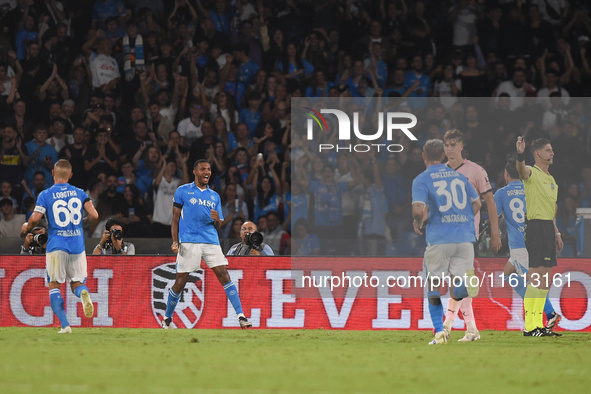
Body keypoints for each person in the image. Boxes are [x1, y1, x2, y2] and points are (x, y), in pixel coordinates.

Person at [162, 159, 252, 329]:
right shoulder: (183, 191)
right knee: (181, 280)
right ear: (195, 172)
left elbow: (218, 224)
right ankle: (167, 317)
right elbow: (175, 219)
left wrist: (218, 220)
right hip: (189, 241)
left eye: (209, 170)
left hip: (211, 240)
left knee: (224, 274)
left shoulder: (214, 196)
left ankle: (241, 316)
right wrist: (175, 241)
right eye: (203, 169)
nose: (207, 172)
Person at [412, 139, 481, 345]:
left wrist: (418, 222)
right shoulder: (460, 177)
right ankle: (465, 288)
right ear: (443, 156)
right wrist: (466, 219)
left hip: (440, 238)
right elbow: (477, 203)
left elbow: (418, 209)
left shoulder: (422, 179)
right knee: (457, 286)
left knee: (434, 286)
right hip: (465, 239)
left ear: (424, 156)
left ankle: (439, 333)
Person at [20, 159, 99, 334]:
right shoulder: (79, 192)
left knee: (54, 286)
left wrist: (27, 227)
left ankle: (65, 325)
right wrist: (79, 223)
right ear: (70, 175)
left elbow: (34, 219)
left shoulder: (45, 194)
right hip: (77, 246)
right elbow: (94, 215)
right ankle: (83, 293)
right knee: (77, 284)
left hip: (56, 246)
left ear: (53, 173)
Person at [442, 129, 502, 342]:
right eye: (446, 145)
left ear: (461, 146)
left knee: (458, 282)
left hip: (467, 235)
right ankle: (471, 329)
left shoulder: (475, 170)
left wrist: (495, 233)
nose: (449, 149)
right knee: (458, 283)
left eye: (453, 144)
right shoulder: (440, 172)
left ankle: (446, 327)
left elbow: (490, 202)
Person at [494, 160, 561, 333]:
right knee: (508, 272)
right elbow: (552, 208)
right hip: (536, 238)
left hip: (519, 244)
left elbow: (491, 214)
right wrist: (556, 232)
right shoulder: (531, 186)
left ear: (506, 174)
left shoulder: (502, 193)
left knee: (534, 283)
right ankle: (541, 312)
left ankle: (549, 313)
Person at [516, 137, 564, 337]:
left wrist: (557, 233)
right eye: (548, 150)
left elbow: (551, 210)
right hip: (535, 227)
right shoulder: (531, 173)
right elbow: (521, 170)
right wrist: (520, 154)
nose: (552, 153)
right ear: (537, 154)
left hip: (547, 228)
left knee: (545, 279)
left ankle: (540, 326)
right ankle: (530, 326)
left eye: (552, 150)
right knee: (536, 277)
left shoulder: (552, 180)